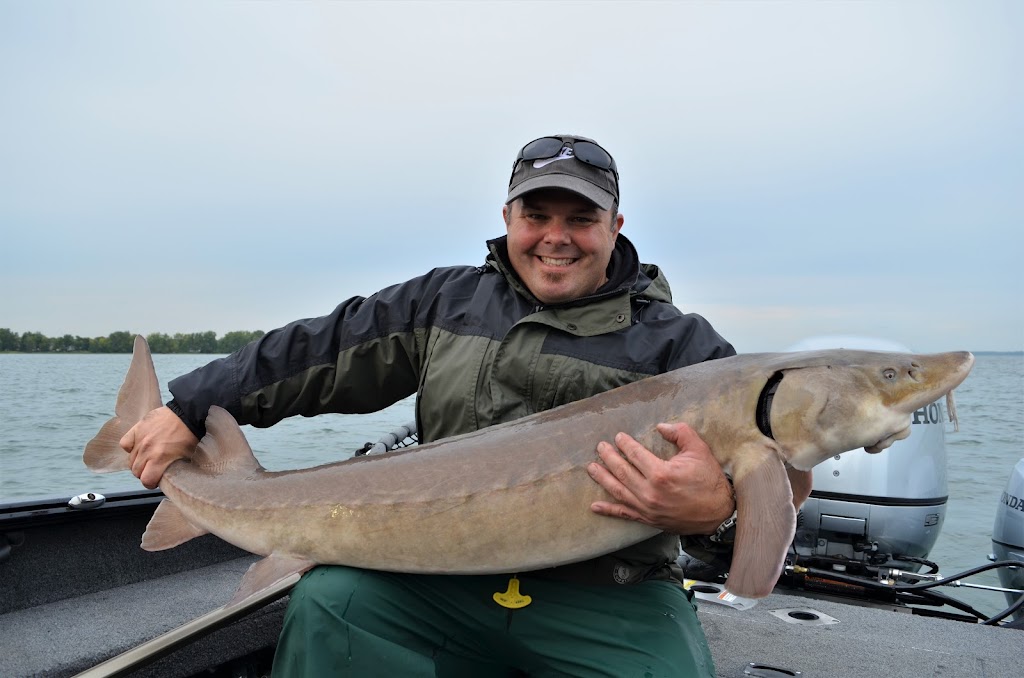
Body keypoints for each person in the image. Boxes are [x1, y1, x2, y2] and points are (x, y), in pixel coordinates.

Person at [121, 134, 738, 677]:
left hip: (612, 596)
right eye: (537, 214)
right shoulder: (445, 302)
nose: (557, 236)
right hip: (438, 581)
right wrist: (188, 407)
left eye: (581, 218)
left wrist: (717, 512)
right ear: (507, 216)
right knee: (326, 603)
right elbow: (317, 352)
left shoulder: (687, 350)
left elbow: (765, 505)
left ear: (615, 226)